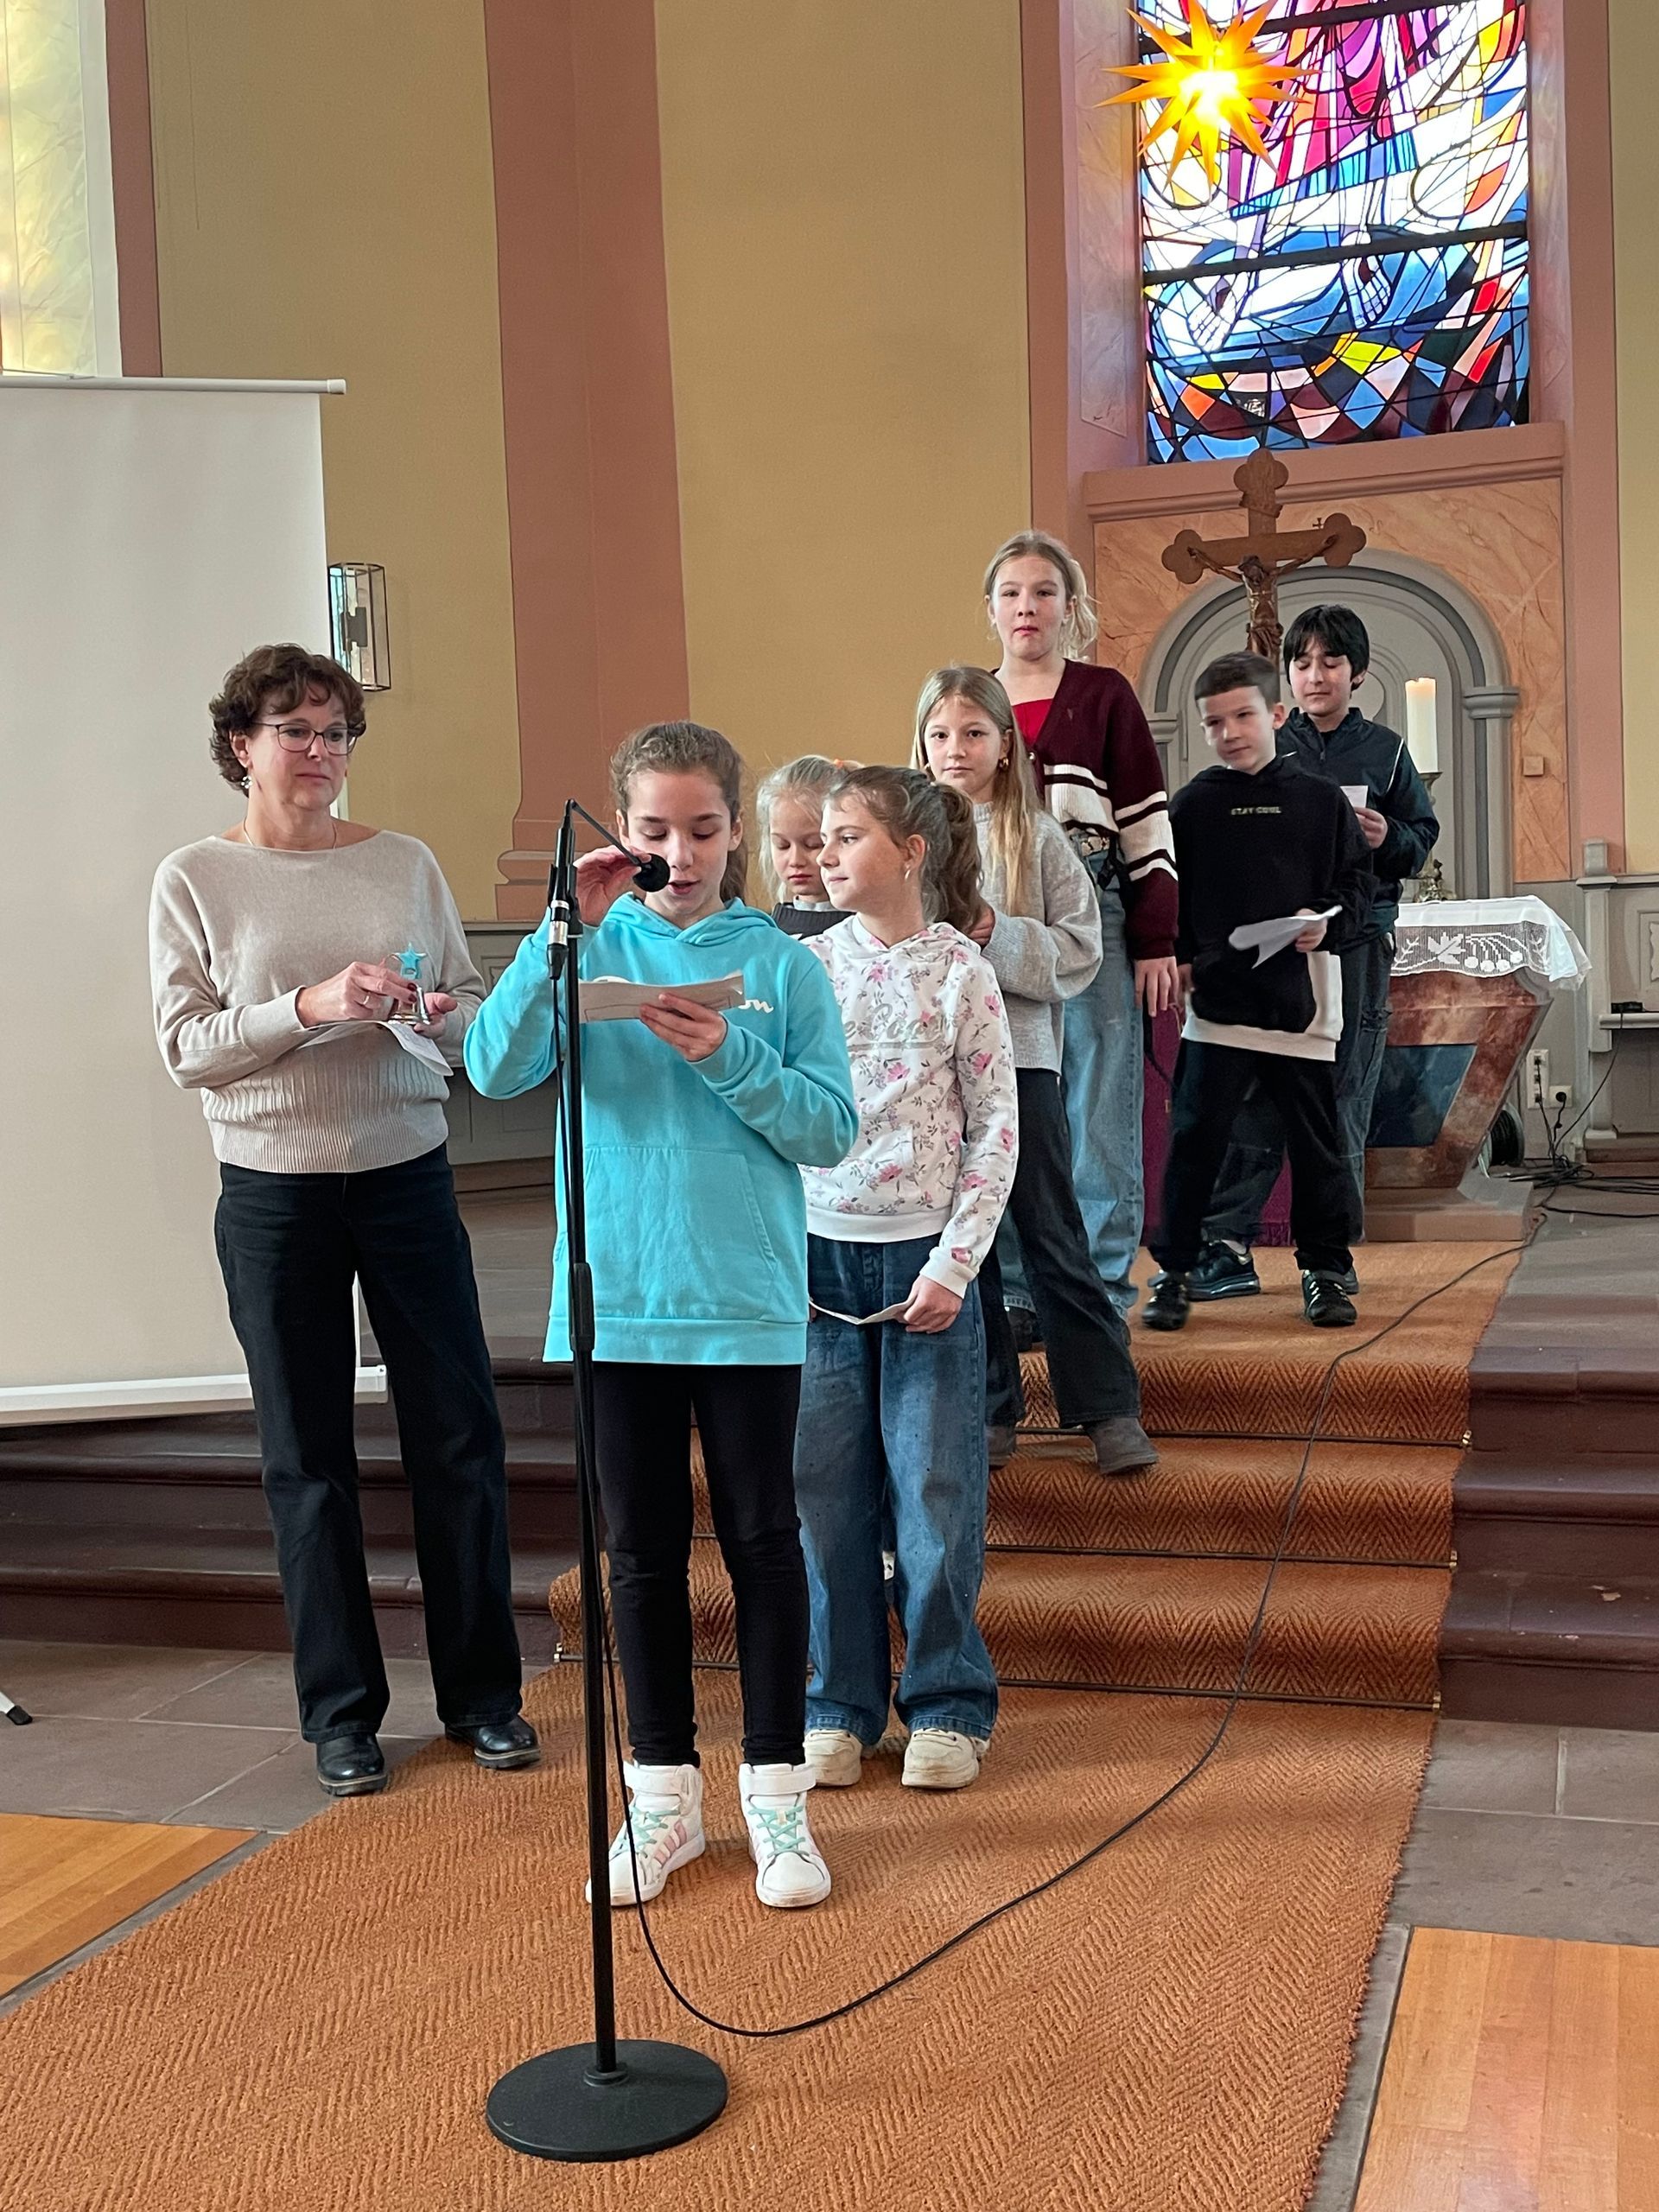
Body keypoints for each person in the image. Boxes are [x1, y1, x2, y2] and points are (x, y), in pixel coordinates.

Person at [464, 721, 857, 1911]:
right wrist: (557, 936)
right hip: (617, 1298)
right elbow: (492, 1069)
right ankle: (663, 1800)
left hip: (743, 1299)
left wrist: (730, 1055)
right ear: (621, 833)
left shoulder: (786, 966)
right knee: (637, 1557)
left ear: (738, 832)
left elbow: (830, 1130)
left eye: (701, 829)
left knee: (764, 1547)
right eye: (653, 831)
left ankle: (777, 1801)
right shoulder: (586, 943)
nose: (678, 854)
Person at [149, 644, 534, 1800]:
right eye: (297, 731)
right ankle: (342, 1715)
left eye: (337, 734)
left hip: (406, 1171)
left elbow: (472, 1014)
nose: (321, 753)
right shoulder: (194, 877)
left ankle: (484, 1698)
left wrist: (433, 1009)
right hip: (274, 1190)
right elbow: (186, 1049)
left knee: (459, 1436)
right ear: (242, 746)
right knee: (306, 1457)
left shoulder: (403, 861)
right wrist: (307, 1006)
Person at [794, 766, 1017, 1796]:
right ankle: (838, 1702)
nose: (825, 853)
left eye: (847, 835)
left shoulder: (960, 970)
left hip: (926, 1268)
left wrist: (954, 1262)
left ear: (912, 851)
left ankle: (946, 1700)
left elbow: (996, 1131)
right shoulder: (804, 967)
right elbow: (775, 1113)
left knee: (934, 1490)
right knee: (825, 1496)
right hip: (817, 1267)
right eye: (822, 837)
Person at [912, 665, 1155, 1478]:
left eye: (973, 733)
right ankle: (991, 1408)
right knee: (966, 1244)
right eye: (940, 734)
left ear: (1006, 745)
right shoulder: (903, 839)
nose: (956, 749)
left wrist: (995, 931)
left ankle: (1107, 1407)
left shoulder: (1039, 836)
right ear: (920, 744)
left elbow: (1081, 952)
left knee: (1052, 1232)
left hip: (1021, 1064)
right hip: (933, 1073)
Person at [1189, 606, 1440, 1301]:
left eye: (1331, 662)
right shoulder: (1267, 745)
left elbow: (1420, 841)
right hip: (1274, 948)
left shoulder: (1387, 752)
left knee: (1340, 1092)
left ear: (1358, 673)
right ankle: (1226, 1245)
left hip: (1355, 942)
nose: (1315, 675)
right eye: (1302, 663)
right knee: (1256, 1093)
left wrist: (1387, 835)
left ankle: (1329, 1259)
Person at [1144, 653, 1373, 1335]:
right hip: (1218, 1008)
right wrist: (1181, 957)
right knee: (1195, 1142)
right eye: (1214, 722)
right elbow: (1169, 897)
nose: (1230, 732)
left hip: (1302, 1005)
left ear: (1276, 714)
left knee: (1317, 1147)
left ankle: (1325, 1268)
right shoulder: (1191, 806)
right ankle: (1176, 1270)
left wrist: (1326, 924)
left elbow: (1357, 891)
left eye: (1243, 715)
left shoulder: (1321, 801)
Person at [983, 528, 1179, 1317]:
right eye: (1011, 593)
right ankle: (1016, 1288)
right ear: (991, 609)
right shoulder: (970, 700)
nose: (1026, 607)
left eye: (1043, 592)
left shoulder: (1103, 695)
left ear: (1069, 607)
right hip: (990, 916)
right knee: (1001, 1097)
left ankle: (1098, 1288)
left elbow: (1145, 821)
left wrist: (1156, 938)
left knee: (1098, 1098)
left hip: (1093, 907)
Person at [756, 753, 849, 938]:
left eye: (813, 844)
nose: (795, 861)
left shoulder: (870, 932)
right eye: (782, 845)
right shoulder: (763, 934)